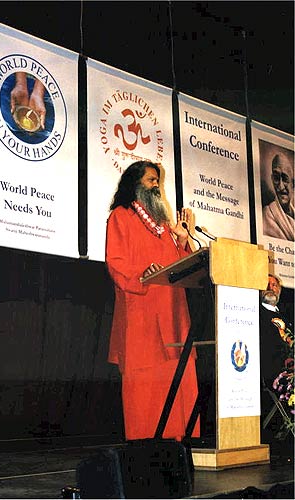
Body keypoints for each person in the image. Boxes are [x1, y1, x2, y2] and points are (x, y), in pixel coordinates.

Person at [105, 160, 199, 441]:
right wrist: (143, 276)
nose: (156, 185)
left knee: (178, 379)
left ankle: (180, 443)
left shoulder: (165, 227)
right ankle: (146, 446)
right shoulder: (120, 216)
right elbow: (116, 263)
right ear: (135, 184)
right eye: (150, 180)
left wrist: (183, 241)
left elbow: (186, 269)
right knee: (145, 386)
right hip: (141, 316)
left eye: (157, 180)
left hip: (174, 317)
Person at [259, 274, 294, 449]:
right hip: (273, 370)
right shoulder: (256, 315)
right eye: (267, 284)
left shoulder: (286, 316)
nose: (271, 287)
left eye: (275, 285)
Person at [262, 152, 294, 241]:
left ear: (293, 183)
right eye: (276, 178)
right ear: (272, 180)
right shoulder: (267, 215)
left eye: (285, 179)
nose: (280, 186)